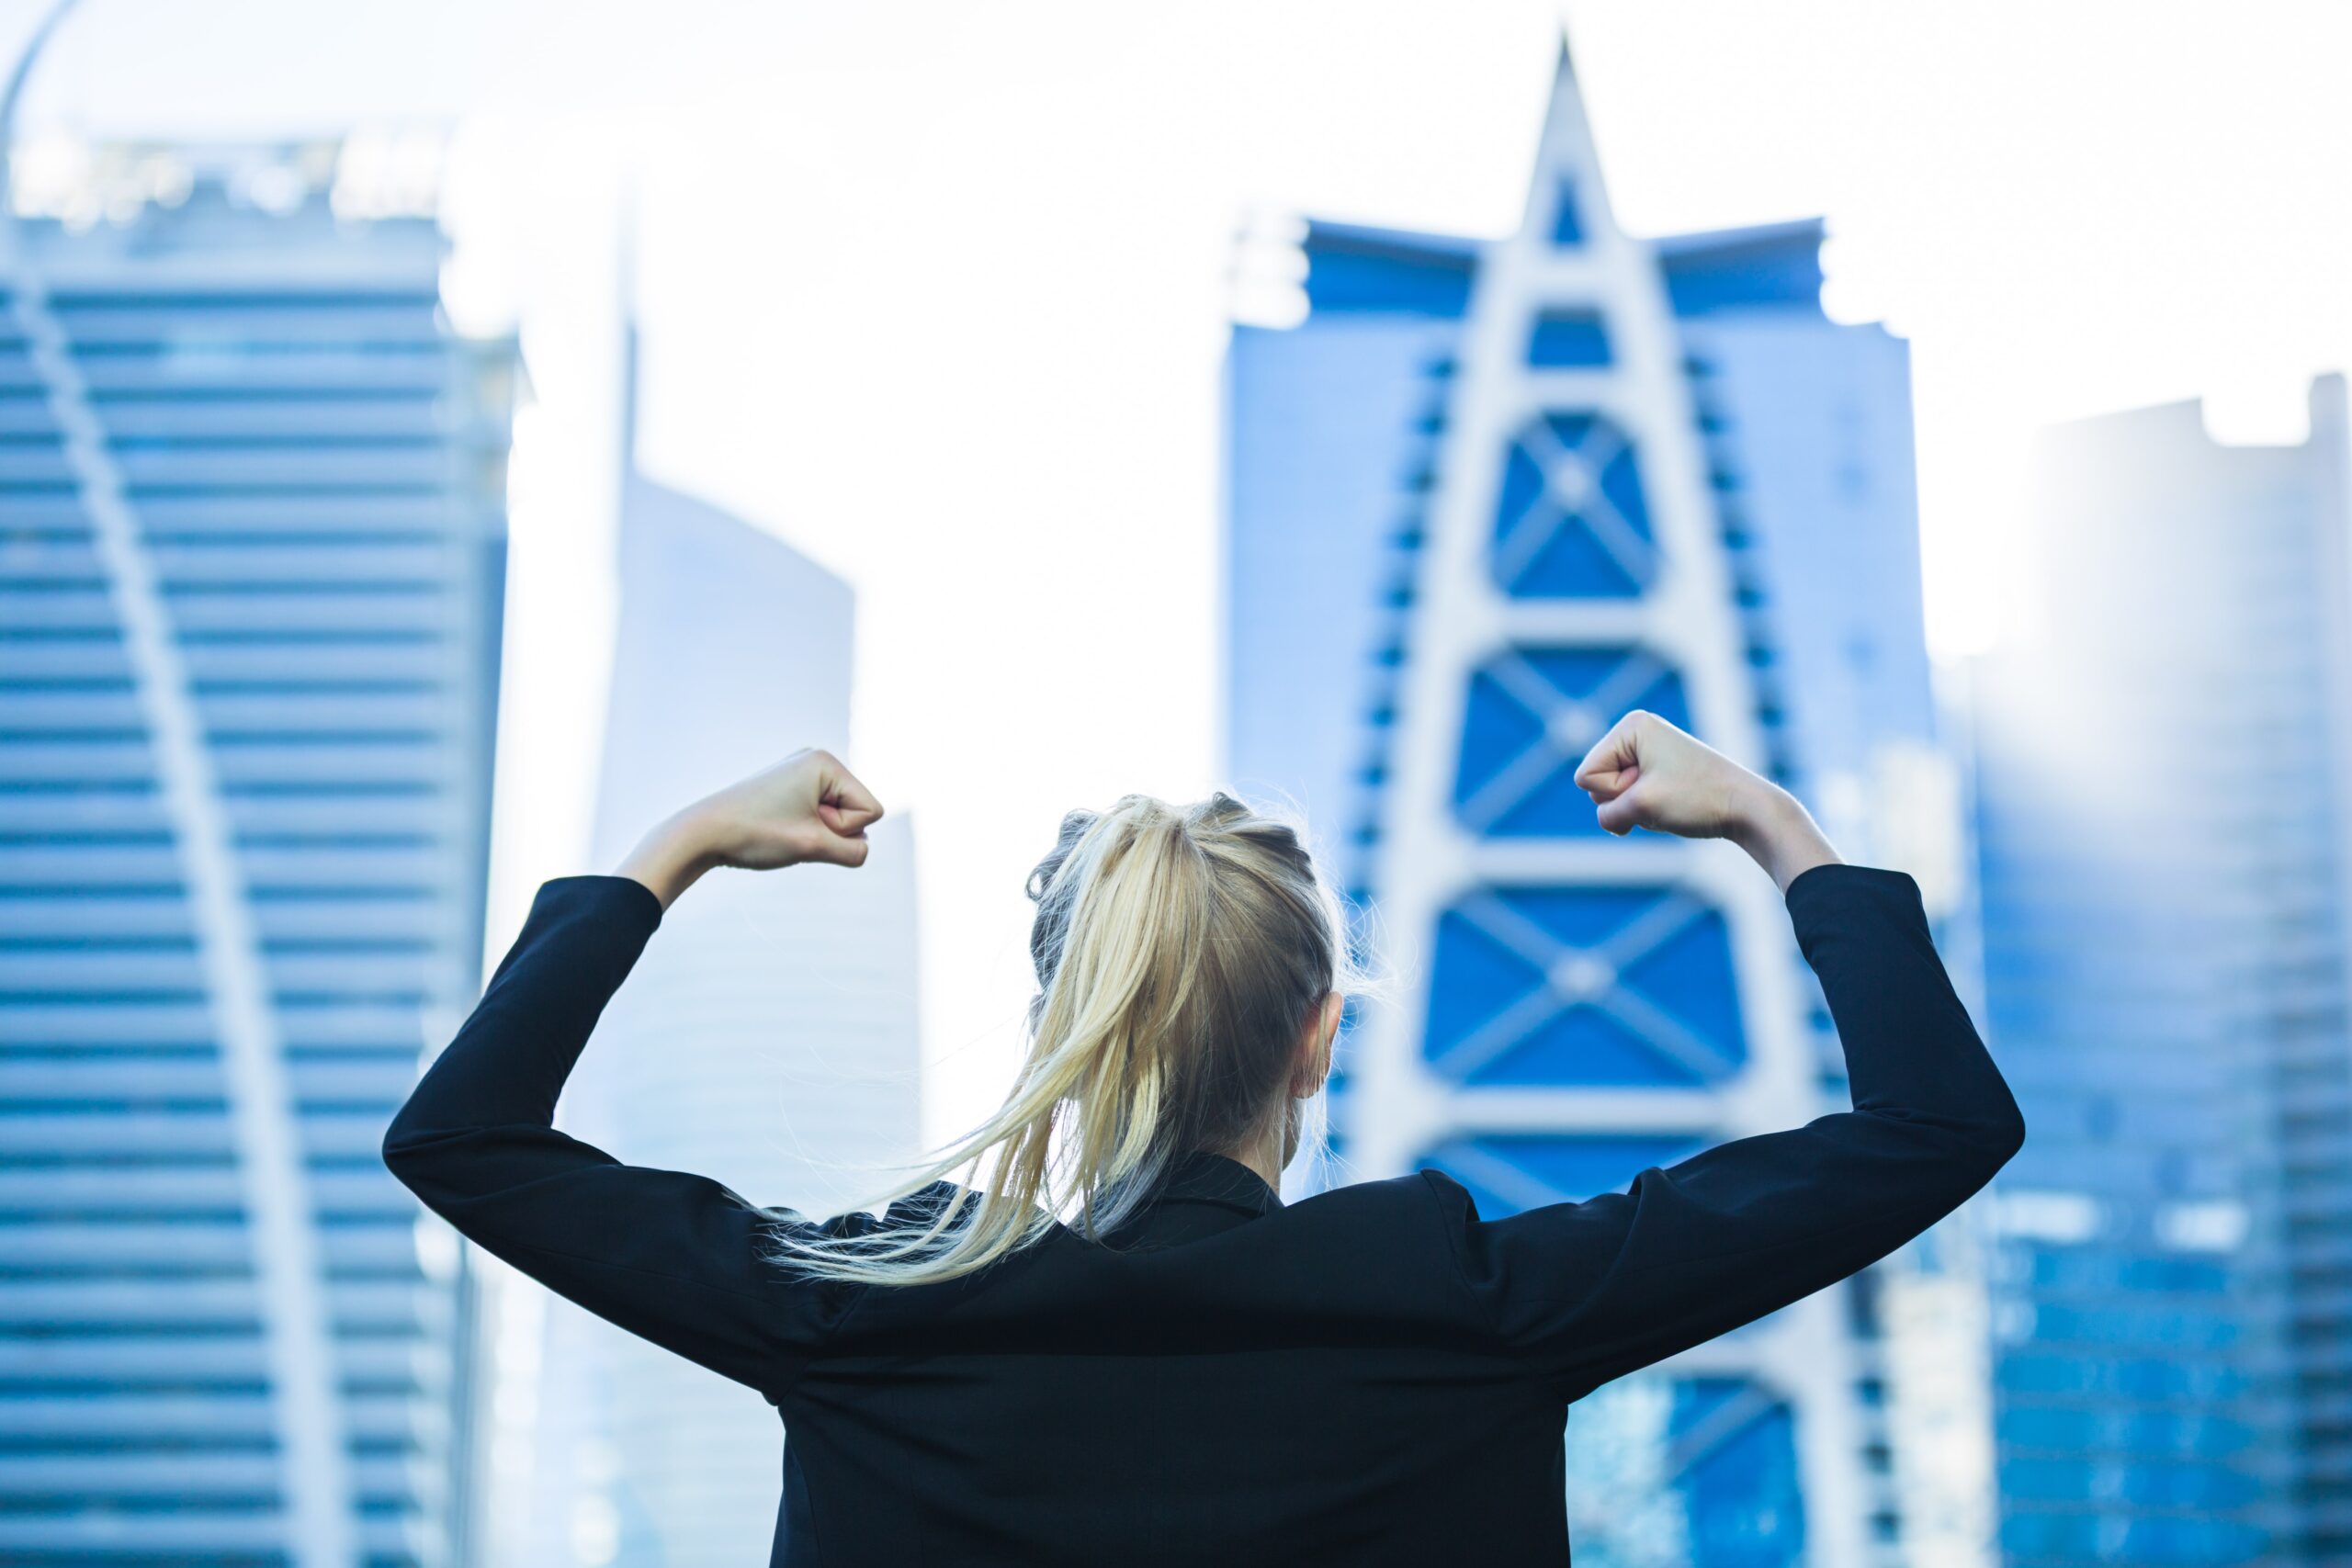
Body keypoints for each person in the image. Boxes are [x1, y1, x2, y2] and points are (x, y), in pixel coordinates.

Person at [383, 710, 2024, 1567]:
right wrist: (1768, 819)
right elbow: (1937, 1124)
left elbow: (464, 1140)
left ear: (1066, 1028)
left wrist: (671, 849)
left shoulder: (869, 1304)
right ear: (1322, 1032)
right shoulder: (1470, 1303)